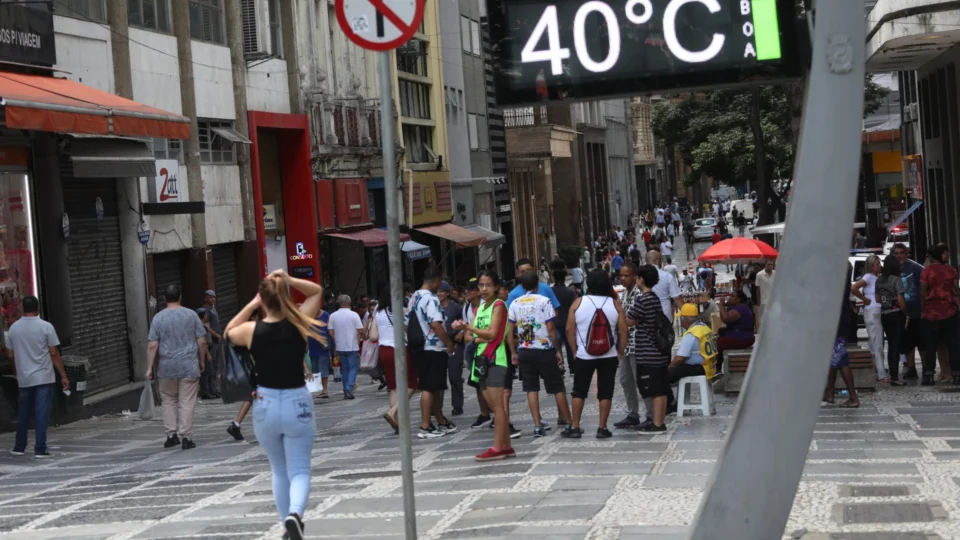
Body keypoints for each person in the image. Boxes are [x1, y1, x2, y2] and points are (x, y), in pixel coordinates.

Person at [224, 269, 322, 540]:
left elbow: (228, 331)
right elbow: (317, 291)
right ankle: (295, 514)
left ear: (264, 301)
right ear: (285, 298)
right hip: (297, 401)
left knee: (279, 469)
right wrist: (288, 281)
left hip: (266, 403)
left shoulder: (251, 331)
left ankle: (285, 524)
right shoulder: (300, 324)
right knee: (299, 469)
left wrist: (253, 303)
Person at [454, 271, 515, 461]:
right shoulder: (480, 309)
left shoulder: (499, 306)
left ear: (496, 287)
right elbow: (469, 338)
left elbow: (493, 333)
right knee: (493, 405)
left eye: (488, 285)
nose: (484, 289)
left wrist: (470, 329)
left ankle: (499, 446)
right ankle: (505, 445)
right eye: (481, 285)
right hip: (480, 360)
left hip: (496, 358)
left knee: (497, 406)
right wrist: (475, 333)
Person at [507, 272, 573, 437]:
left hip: (525, 350)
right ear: (538, 284)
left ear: (522, 286)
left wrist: (514, 352)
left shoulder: (515, 303)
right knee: (557, 387)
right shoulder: (544, 301)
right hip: (544, 349)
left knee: (531, 389)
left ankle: (537, 425)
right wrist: (557, 349)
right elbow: (551, 327)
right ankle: (569, 423)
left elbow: (509, 331)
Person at [563, 270, 628, 439]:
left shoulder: (578, 303)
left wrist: (575, 350)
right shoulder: (615, 304)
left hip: (584, 355)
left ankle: (575, 426)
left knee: (579, 390)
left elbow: (569, 329)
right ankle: (602, 427)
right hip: (609, 354)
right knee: (606, 391)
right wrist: (620, 351)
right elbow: (623, 329)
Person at [146, 285, 208, 450]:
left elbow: (152, 345)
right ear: (180, 297)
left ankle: (171, 435)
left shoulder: (158, 318)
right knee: (186, 401)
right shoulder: (191, 315)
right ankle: (186, 437)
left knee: (168, 401)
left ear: (164, 299)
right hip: (188, 365)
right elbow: (202, 341)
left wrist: (149, 368)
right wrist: (202, 360)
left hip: (166, 367)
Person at [8, 296, 68, 458]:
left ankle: (19, 446)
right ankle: (40, 448)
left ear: (22, 308)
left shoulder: (14, 328)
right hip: (43, 377)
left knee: (24, 413)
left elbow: (11, 355)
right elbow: (54, 353)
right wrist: (63, 376)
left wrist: (16, 371)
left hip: (24, 378)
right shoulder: (46, 327)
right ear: (38, 308)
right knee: (41, 413)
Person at [408, 269, 458, 438]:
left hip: (419, 346)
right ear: (436, 280)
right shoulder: (431, 298)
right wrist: (449, 343)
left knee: (435, 385)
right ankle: (425, 425)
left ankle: (440, 420)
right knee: (429, 387)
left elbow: (407, 323)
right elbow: (436, 324)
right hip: (433, 347)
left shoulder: (414, 297)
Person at [625, 265, 671, 432]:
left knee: (655, 390)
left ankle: (657, 423)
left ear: (641, 279)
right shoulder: (655, 298)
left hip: (648, 351)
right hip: (658, 351)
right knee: (660, 388)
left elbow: (629, 321)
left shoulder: (643, 299)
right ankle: (659, 421)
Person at [376, 287, 417, 433]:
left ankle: (397, 422)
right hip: (400, 350)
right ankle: (393, 412)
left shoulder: (377, 312)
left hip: (384, 351)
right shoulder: (403, 311)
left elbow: (373, 336)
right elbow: (409, 331)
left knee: (394, 387)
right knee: (412, 384)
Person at [919, 243, 960, 385]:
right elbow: (956, 292)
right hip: (949, 311)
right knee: (953, 345)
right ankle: (956, 373)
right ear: (941, 254)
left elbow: (923, 292)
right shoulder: (951, 271)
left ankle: (928, 374)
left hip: (931, 313)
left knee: (931, 346)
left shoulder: (926, 272)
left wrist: (922, 310)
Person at [825, 264, 860, 408]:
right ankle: (831, 393)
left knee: (840, 358)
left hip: (835, 317)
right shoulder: (845, 267)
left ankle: (853, 397)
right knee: (834, 356)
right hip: (841, 315)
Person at [614, 263, 643, 429]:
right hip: (625, 344)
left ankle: (651, 414)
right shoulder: (624, 294)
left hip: (637, 342)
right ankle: (633, 413)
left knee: (640, 379)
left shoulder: (639, 294)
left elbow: (632, 318)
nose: (622, 278)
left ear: (634, 276)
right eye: (621, 275)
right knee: (625, 379)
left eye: (626, 276)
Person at [461, 279, 493, 429]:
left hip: (489, 351)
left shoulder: (486, 306)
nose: (468, 293)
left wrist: (475, 337)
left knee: (491, 385)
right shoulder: (467, 308)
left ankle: (495, 412)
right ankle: (484, 413)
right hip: (474, 351)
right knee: (478, 384)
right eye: (467, 290)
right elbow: (467, 334)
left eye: (471, 290)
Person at [852, 255, 886, 382]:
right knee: (877, 342)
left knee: (875, 342)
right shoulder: (868, 277)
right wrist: (865, 299)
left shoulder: (879, 277)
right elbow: (854, 287)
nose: (879, 266)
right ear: (871, 266)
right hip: (872, 310)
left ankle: (876, 370)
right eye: (876, 264)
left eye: (879, 263)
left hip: (878, 310)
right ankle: (881, 373)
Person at [876, 255, 909, 386]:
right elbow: (901, 300)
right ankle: (895, 377)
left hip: (885, 314)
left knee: (891, 345)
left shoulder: (879, 280)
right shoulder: (897, 280)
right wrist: (906, 313)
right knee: (896, 345)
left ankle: (893, 375)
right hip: (896, 314)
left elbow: (878, 298)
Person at [893, 243, 923, 379]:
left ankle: (927, 367)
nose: (899, 256)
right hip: (900, 311)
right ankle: (911, 367)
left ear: (906, 253)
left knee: (922, 341)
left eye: (901, 253)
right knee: (907, 342)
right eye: (896, 253)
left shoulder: (916, 268)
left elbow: (923, 287)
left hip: (916, 309)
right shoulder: (891, 269)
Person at [328, 295, 365, 399]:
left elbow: (330, 332)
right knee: (353, 367)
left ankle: (345, 390)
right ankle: (349, 387)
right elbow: (360, 330)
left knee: (344, 369)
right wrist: (362, 338)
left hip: (340, 346)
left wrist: (336, 341)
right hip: (352, 345)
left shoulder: (333, 316)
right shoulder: (354, 315)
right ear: (349, 303)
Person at [438, 281, 465, 416]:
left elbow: (465, 320)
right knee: (439, 379)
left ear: (447, 293)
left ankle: (457, 405)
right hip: (439, 346)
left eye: (441, 291)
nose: (439, 294)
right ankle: (438, 407)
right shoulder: (434, 307)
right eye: (437, 291)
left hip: (454, 345)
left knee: (455, 377)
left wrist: (461, 333)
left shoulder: (455, 307)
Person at [715, 291, 756, 375]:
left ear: (738, 299)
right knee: (720, 334)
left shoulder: (741, 308)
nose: (730, 298)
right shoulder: (740, 307)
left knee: (720, 343)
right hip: (742, 335)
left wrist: (721, 305)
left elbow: (726, 318)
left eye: (732, 296)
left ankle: (717, 369)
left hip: (742, 337)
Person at [552, 267, 577, 378]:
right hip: (568, 322)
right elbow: (575, 306)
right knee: (570, 346)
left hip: (554, 323)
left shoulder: (551, 291)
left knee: (556, 347)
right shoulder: (570, 291)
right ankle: (573, 368)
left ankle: (560, 368)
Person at [646, 251, 682, 322]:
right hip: (665, 314)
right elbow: (677, 298)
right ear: (657, 260)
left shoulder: (640, 276)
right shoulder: (666, 276)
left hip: (647, 315)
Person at [199, 290, 222, 399]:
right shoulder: (205, 311)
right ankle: (208, 391)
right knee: (210, 367)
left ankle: (215, 390)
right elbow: (207, 327)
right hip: (211, 341)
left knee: (215, 366)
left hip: (216, 341)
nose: (213, 299)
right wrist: (216, 335)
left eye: (214, 297)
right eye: (210, 297)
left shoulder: (213, 309)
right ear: (206, 299)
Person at [306, 309, 332, 400]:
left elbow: (330, 330)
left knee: (323, 368)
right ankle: (321, 389)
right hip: (313, 347)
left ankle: (325, 390)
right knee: (316, 370)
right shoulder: (308, 316)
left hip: (323, 347)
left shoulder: (326, 315)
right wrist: (306, 345)